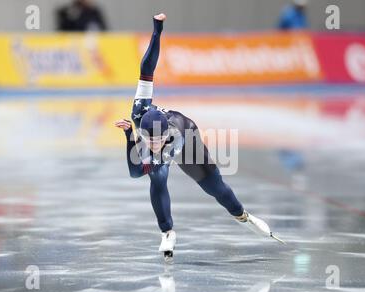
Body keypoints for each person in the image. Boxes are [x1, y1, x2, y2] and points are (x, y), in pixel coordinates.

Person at [115, 13, 284, 261]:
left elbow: (136, 169)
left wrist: (147, 145)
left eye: (156, 141)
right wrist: (157, 31)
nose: (152, 144)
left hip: (188, 134)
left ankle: (242, 215)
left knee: (214, 187)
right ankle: (167, 232)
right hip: (158, 130)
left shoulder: (174, 139)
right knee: (158, 177)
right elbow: (147, 68)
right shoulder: (139, 112)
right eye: (148, 139)